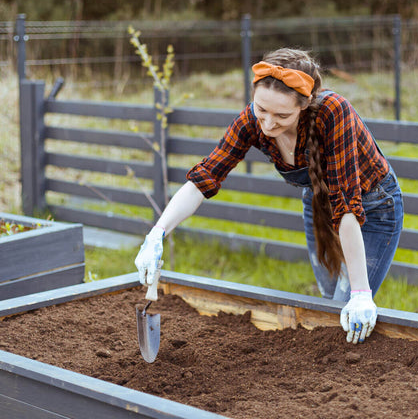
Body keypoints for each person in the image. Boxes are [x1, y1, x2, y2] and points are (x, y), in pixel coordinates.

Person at [135, 48, 404, 345]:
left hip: (372, 206)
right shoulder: (252, 120)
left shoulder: (333, 112)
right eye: (261, 109)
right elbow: (205, 177)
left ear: (305, 104)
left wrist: (362, 294)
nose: (268, 123)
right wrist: (157, 233)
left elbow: (346, 206)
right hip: (317, 203)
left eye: (282, 115)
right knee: (328, 305)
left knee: (345, 308)